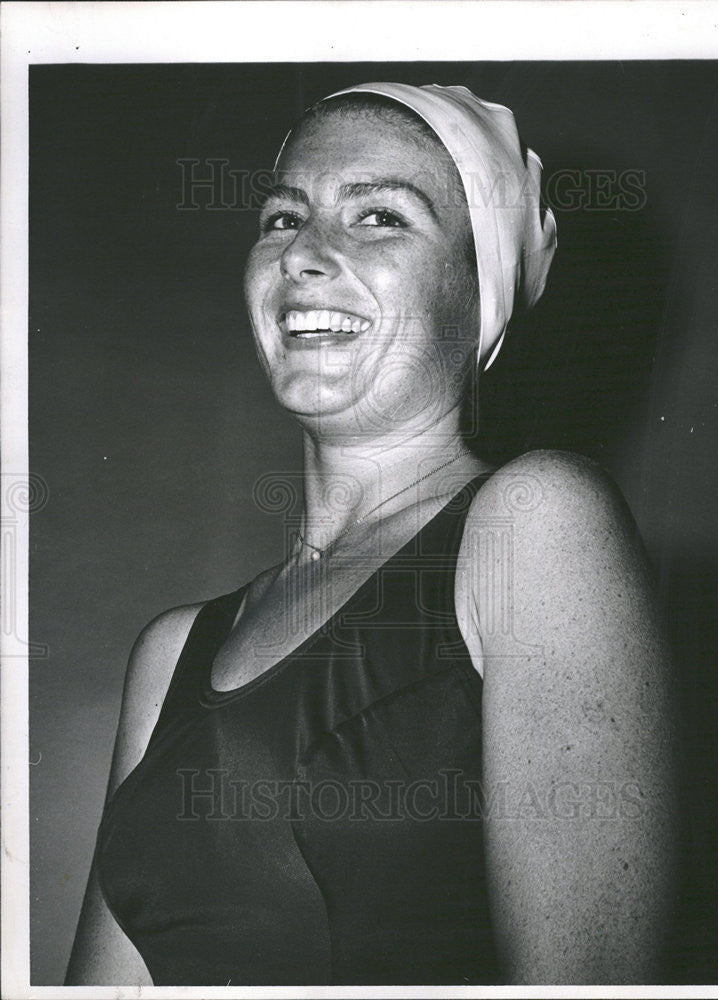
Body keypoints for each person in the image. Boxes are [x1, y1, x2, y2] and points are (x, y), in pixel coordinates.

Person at [66, 82, 677, 986]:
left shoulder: (534, 524)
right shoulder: (171, 652)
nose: (305, 255)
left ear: (479, 291)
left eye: (380, 216)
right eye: (282, 218)